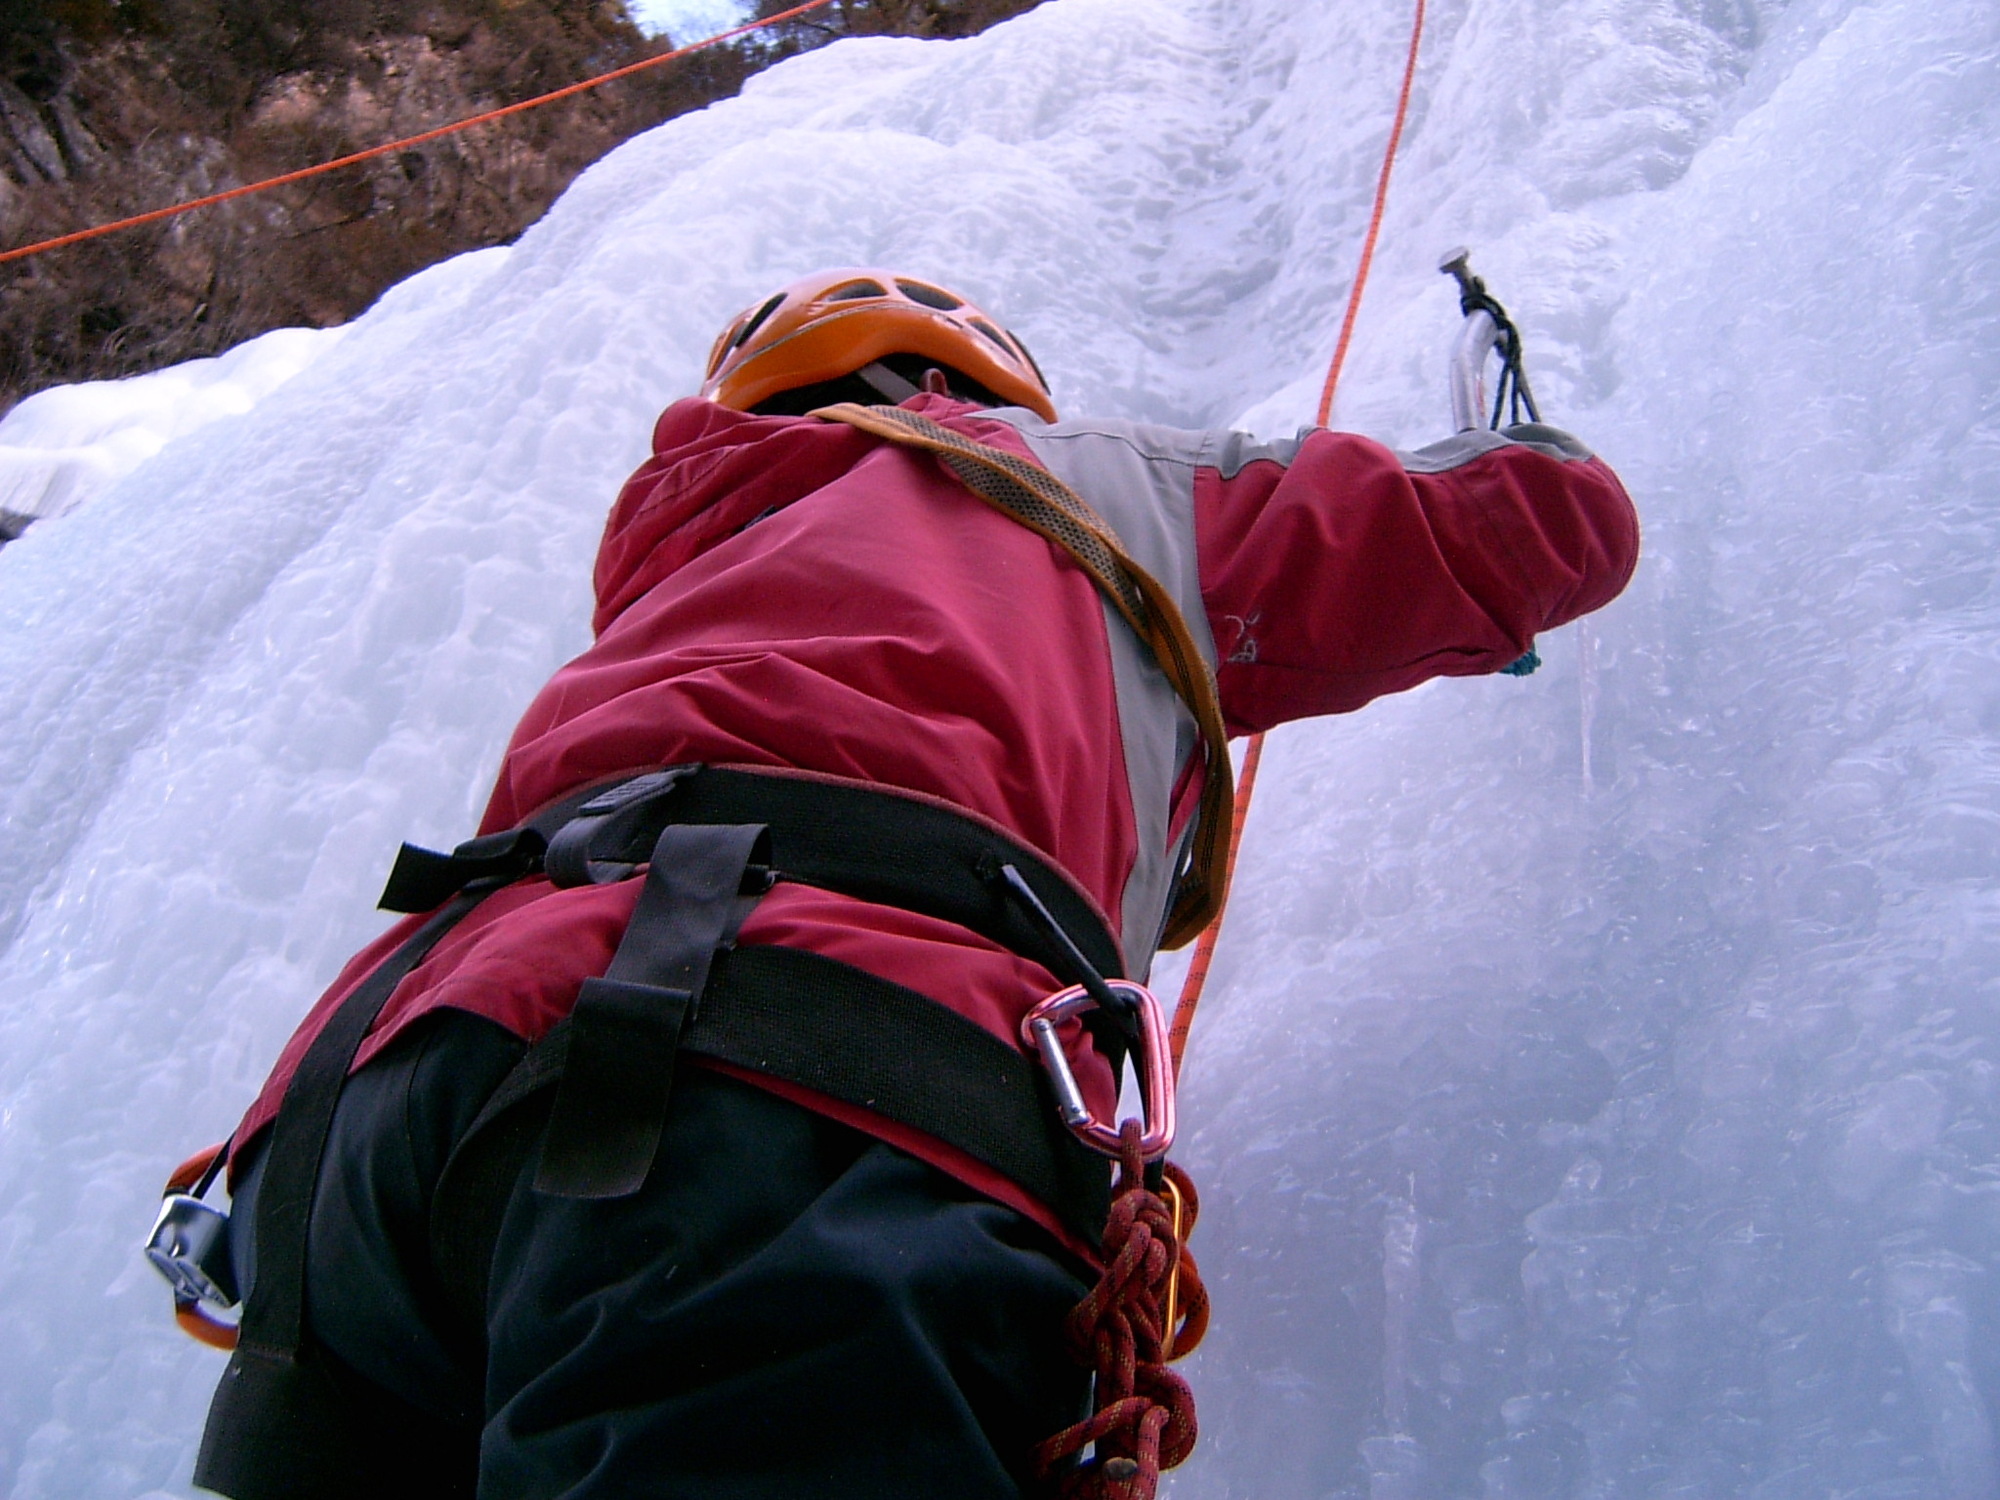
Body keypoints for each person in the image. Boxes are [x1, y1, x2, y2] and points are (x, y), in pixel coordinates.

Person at [191, 268, 1639, 1500]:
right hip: (798, 1074)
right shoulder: (1091, 483)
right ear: (986, 393)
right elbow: (1530, 529)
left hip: (370, 1122)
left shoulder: (680, 558)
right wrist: (1528, 450)